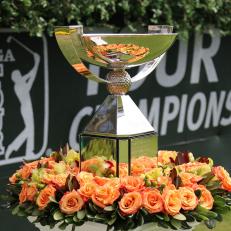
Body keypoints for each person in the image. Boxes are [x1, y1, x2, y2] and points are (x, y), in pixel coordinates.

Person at [5, 53, 40, 159]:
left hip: (27, 107)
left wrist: (36, 64)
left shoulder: (20, 82)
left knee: (29, 130)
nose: (20, 76)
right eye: (18, 75)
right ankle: (14, 146)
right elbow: (31, 78)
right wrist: (36, 63)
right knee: (29, 130)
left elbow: (30, 74)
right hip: (25, 109)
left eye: (20, 74)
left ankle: (28, 151)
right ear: (16, 78)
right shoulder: (19, 86)